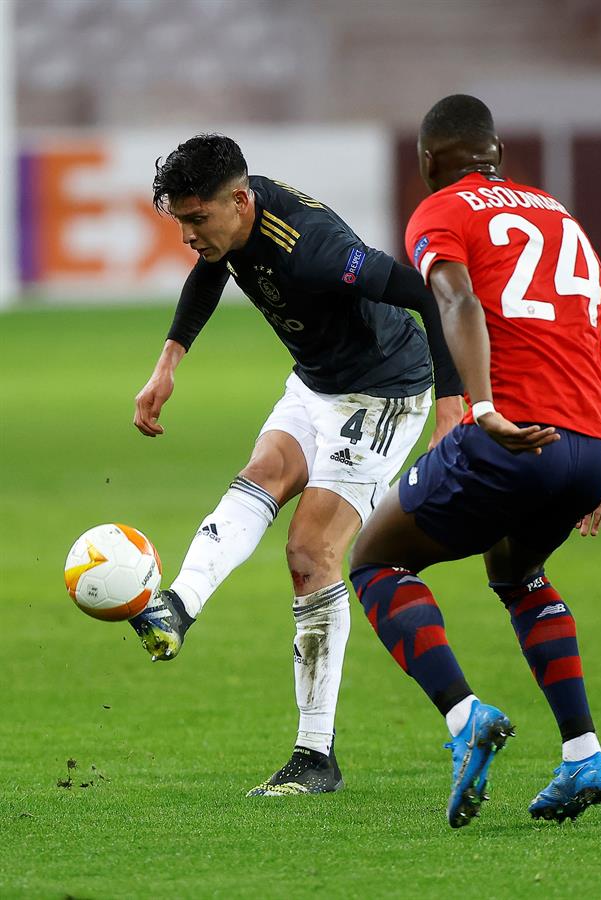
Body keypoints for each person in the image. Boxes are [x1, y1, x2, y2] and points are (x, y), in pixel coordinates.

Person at [130, 134, 464, 797]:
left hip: (381, 394)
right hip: (315, 383)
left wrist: (453, 404)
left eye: (197, 221)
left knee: (310, 551)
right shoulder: (229, 225)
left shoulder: (318, 251)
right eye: (182, 222)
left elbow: (427, 297)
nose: (190, 237)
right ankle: (177, 607)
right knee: (260, 476)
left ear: (239, 201)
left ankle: (316, 755)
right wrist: (169, 361)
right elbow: (211, 267)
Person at [350, 94, 601, 828]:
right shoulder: (558, 215)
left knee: (374, 560)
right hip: (588, 445)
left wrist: (481, 407)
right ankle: (582, 751)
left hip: (512, 435)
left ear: (428, 162)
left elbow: (454, 300)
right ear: (497, 157)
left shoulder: (442, 211)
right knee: (514, 571)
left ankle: (464, 719)